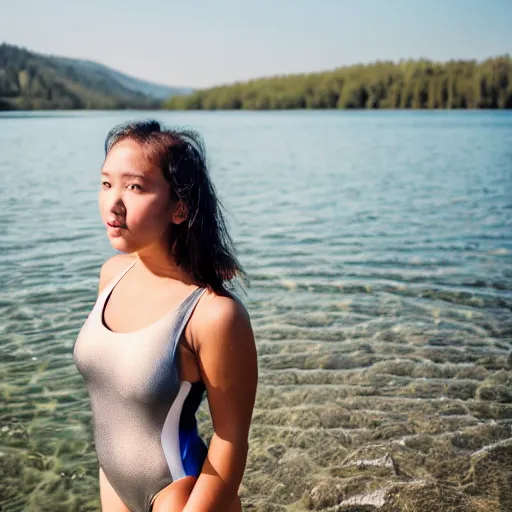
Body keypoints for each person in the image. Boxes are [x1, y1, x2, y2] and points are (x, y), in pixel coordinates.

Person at [73, 120, 258, 512]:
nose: (114, 202)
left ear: (180, 207)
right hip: (113, 482)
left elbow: (231, 439)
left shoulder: (214, 314)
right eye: (106, 184)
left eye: (135, 187)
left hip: (181, 493)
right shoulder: (112, 274)